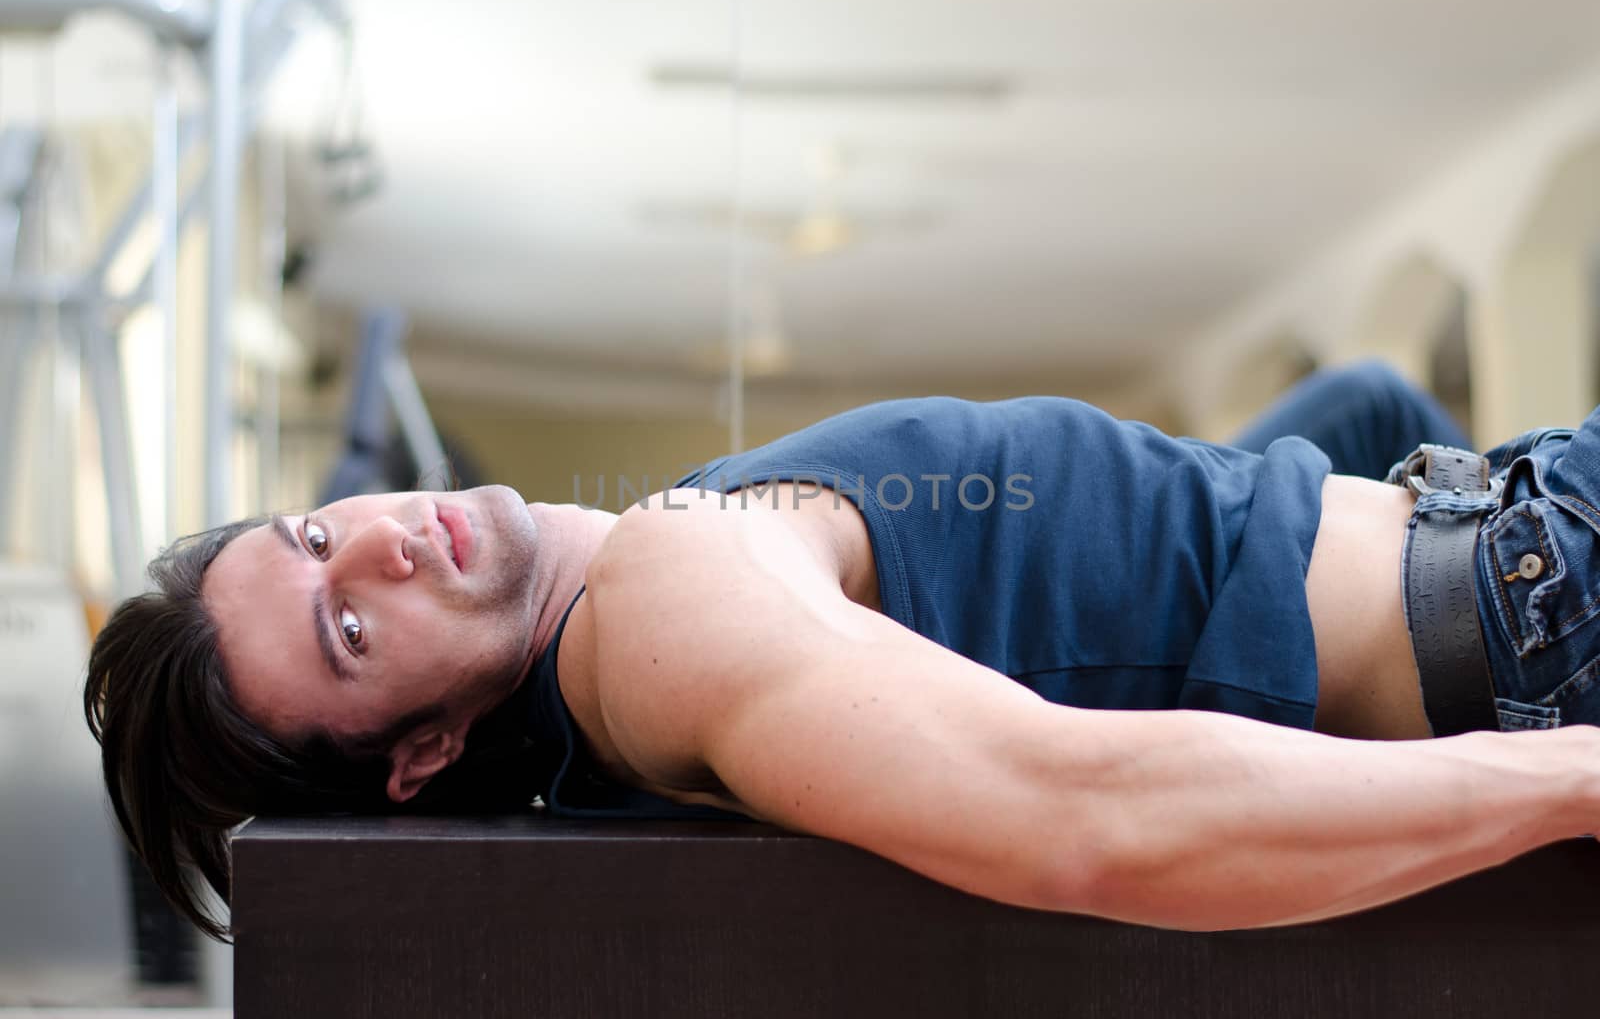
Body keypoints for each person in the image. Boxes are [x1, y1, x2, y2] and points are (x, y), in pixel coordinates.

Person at [84, 361, 1600, 942]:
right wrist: (1574, 780)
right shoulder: (665, 611)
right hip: (1551, 602)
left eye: (305, 536)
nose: (373, 544)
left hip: (1518, 551)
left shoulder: (651, 595)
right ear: (419, 754)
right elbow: (1083, 819)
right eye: (350, 634)